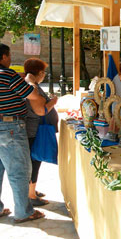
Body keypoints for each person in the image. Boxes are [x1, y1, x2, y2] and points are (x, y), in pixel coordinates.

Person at [0, 43, 45, 222]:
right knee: (19, 170)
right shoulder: (8, 75)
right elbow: (31, 95)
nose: (10, 59)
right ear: (3, 57)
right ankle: (24, 212)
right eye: (9, 55)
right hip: (10, 127)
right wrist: (33, 86)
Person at [24, 58, 58, 207]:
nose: (44, 75)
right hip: (34, 130)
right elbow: (40, 110)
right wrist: (53, 102)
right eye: (43, 72)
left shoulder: (33, 86)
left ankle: (32, 190)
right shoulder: (32, 87)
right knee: (34, 161)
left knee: (34, 161)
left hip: (35, 129)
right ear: (38, 73)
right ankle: (31, 195)